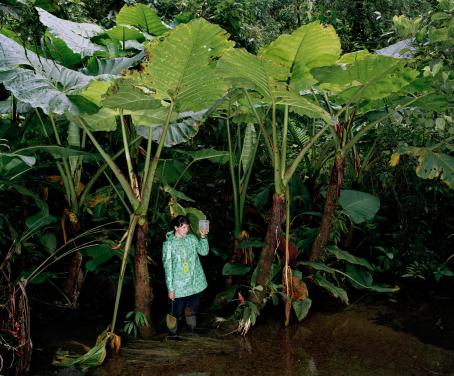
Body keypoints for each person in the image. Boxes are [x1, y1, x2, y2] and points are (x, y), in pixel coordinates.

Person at [162, 215, 209, 336]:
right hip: (178, 287)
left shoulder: (192, 239)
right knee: (174, 314)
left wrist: (203, 236)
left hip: (193, 284)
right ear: (176, 228)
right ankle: (172, 338)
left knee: (191, 310)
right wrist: (171, 289)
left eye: (187, 227)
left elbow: (204, 252)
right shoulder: (169, 245)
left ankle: (191, 334)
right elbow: (168, 268)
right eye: (183, 227)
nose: (186, 230)